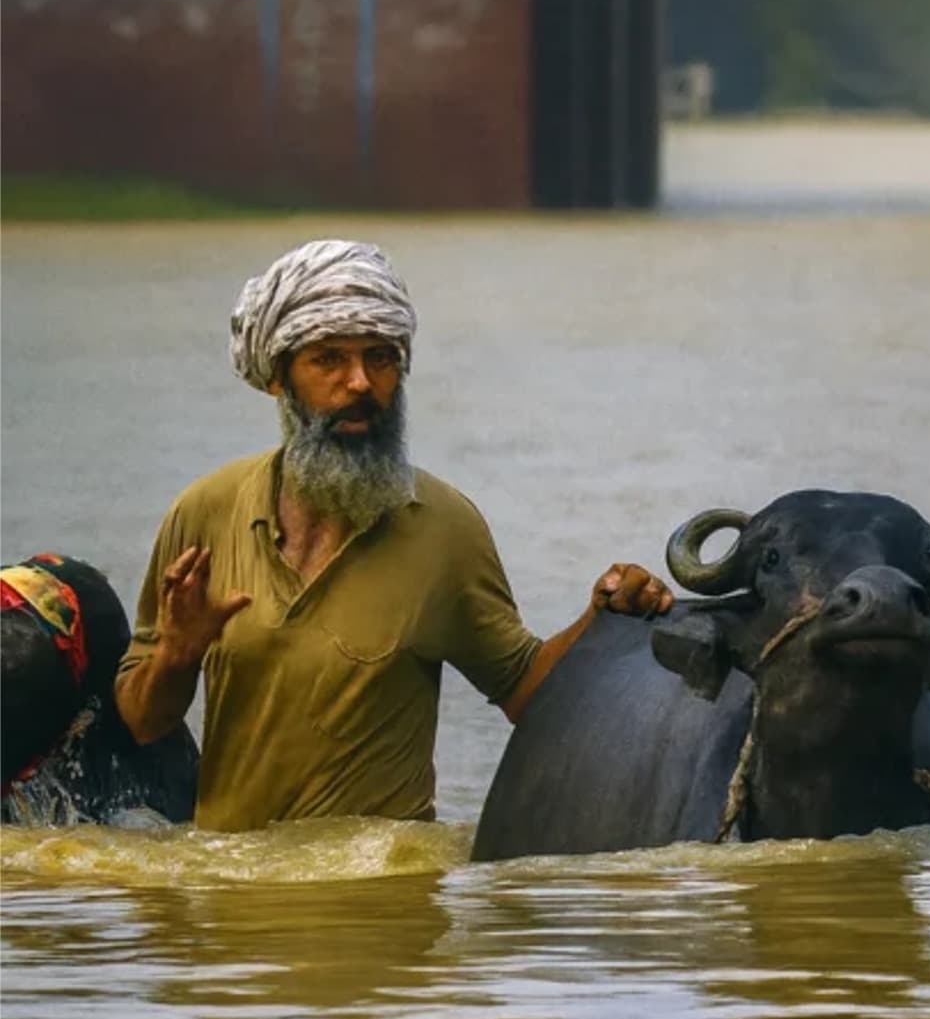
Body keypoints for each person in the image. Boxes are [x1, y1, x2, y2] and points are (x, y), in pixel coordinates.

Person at [113, 239, 674, 831]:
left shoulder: (443, 527)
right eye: (329, 359)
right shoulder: (206, 514)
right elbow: (143, 724)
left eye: (379, 357)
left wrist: (602, 616)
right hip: (232, 900)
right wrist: (177, 656)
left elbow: (526, 694)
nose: (359, 382)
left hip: (387, 901)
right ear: (278, 378)